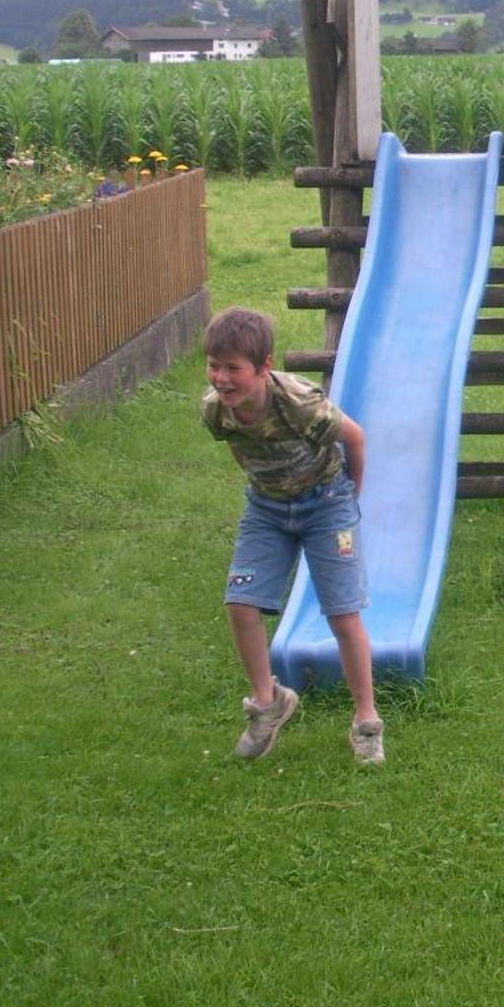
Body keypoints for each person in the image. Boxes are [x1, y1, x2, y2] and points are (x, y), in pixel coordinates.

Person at [200, 307, 383, 764]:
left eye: (233, 369)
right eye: (213, 365)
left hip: (327, 503)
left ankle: (366, 719)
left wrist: (349, 497)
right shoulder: (215, 411)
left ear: (264, 368)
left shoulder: (298, 403)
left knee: (342, 615)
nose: (221, 378)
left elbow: (355, 438)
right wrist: (269, 487)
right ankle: (269, 702)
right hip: (266, 508)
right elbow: (242, 452)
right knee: (241, 605)